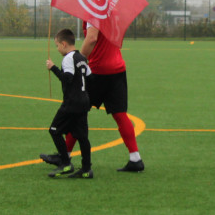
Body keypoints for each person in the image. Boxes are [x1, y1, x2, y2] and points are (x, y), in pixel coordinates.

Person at [43, 20, 145, 173]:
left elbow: (92, 38)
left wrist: (78, 58)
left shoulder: (94, 10)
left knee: (76, 110)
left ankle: (65, 156)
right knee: (120, 114)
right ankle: (135, 158)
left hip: (98, 70)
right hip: (117, 68)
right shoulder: (112, 11)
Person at [43, 28, 93, 179]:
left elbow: (67, 78)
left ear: (64, 44)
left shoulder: (68, 58)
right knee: (82, 136)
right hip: (83, 102)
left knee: (54, 130)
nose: (57, 49)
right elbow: (90, 78)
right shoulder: (82, 58)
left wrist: (53, 68)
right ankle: (86, 169)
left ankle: (65, 163)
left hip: (72, 104)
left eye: (57, 45)